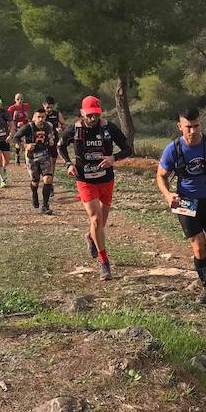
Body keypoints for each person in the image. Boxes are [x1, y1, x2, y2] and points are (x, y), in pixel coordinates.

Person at [156, 108, 206, 304]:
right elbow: (161, 176)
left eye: (196, 126)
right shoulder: (172, 149)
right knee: (198, 248)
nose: (193, 131)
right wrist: (168, 195)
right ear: (180, 126)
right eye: (188, 127)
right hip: (185, 201)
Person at [59, 96, 132, 280]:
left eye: (96, 115)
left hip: (106, 179)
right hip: (85, 179)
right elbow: (60, 147)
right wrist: (68, 163)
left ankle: (91, 237)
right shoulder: (74, 130)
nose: (93, 118)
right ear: (82, 113)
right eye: (90, 115)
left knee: (101, 222)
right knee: (96, 220)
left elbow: (127, 148)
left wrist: (113, 158)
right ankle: (104, 263)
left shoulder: (108, 127)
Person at [12, 108, 57, 215]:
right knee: (35, 181)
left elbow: (51, 136)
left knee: (48, 178)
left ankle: (45, 206)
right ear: (34, 117)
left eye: (43, 117)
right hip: (31, 157)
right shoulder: (28, 127)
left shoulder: (48, 126)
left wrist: (51, 140)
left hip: (44, 155)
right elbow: (15, 138)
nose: (41, 119)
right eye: (38, 117)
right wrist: (25, 145)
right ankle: (34, 193)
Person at [8, 93, 32, 165]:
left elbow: (29, 117)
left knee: (27, 142)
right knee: (18, 143)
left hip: (25, 127)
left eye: (21, 99)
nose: (20, 101)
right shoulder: (12, 108)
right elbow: (9, 120)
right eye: (18, 99)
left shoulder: (26, 106)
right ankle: (17, 156)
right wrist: (13, 126)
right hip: (16, 127)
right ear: (15, 100)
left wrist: (27, 118)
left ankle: (26, 158)